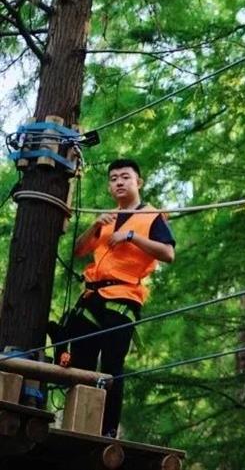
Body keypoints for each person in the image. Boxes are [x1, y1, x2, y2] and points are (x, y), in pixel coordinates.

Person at [67, 158, 175, 437]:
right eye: (113, 178)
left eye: (125, 177)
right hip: (92, 295)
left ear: (138, 182)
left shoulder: (151, 216)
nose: (119, 182)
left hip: (123, 296)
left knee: (112, 365)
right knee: (80, 362)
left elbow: (168, 254)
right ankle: (77, 425)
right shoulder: (107, 217)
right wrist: (93, 227)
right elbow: (78, 251)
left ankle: (107, 430)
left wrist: (132, 237)